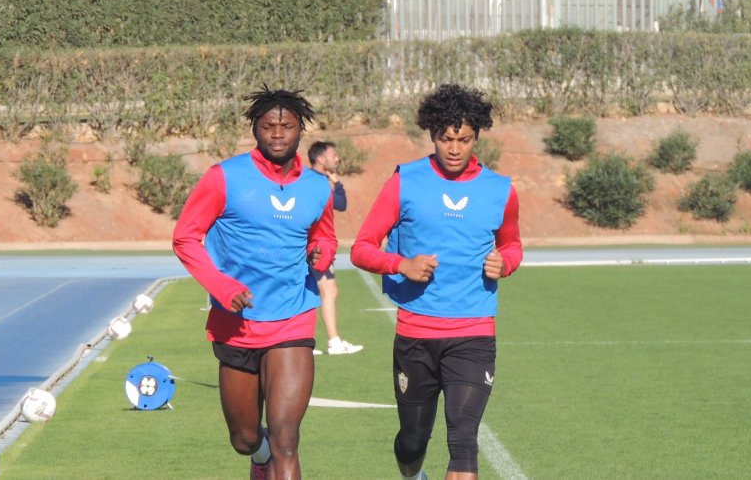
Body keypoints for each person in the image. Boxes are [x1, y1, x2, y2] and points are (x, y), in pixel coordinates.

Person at [351, 83, 523, 480]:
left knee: (463, 438)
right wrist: (400, 265)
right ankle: (413, 475)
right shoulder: (405, 181)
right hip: (416, 334)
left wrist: (506, 263)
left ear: (477, 136)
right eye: (445, 139)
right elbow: (361, 248)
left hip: (473, 333)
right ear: (432, 135)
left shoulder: (500, 190)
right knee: (413, 440)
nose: (454, 148)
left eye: (463, 139)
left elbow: (512, 245)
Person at [174, 87, 337, 480]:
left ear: (301, 131)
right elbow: (185, 238)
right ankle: (257, 455)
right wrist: (223, 288)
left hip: (292, 317)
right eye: (268, 127)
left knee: (286, 438)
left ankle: (273, 454)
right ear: (255, 130)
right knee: (246, 438)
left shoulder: (317, 187)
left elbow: (325, 236)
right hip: (237, 326)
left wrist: (323, 253)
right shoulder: (224, 177)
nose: (277, 134)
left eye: (287, 126)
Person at [306, 141, 363, 356]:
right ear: (321, 159)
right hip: (317, 244)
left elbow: (339, 204)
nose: (337, 158)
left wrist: (336, 182)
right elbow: (337, 204)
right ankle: (332, 342)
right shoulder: (314, 182)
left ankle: (315, 341)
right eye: (334, 154)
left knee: (321, 291)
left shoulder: (321, 180)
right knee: (328, 290)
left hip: (321, 243)